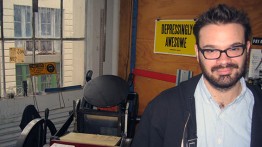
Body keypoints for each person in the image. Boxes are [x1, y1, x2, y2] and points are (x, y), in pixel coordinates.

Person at [131, 4, 262, 147]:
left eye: (234, 48)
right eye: (211, 50)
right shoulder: (162, 109)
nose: (224, 61)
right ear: (197, 53)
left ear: (247, 49)